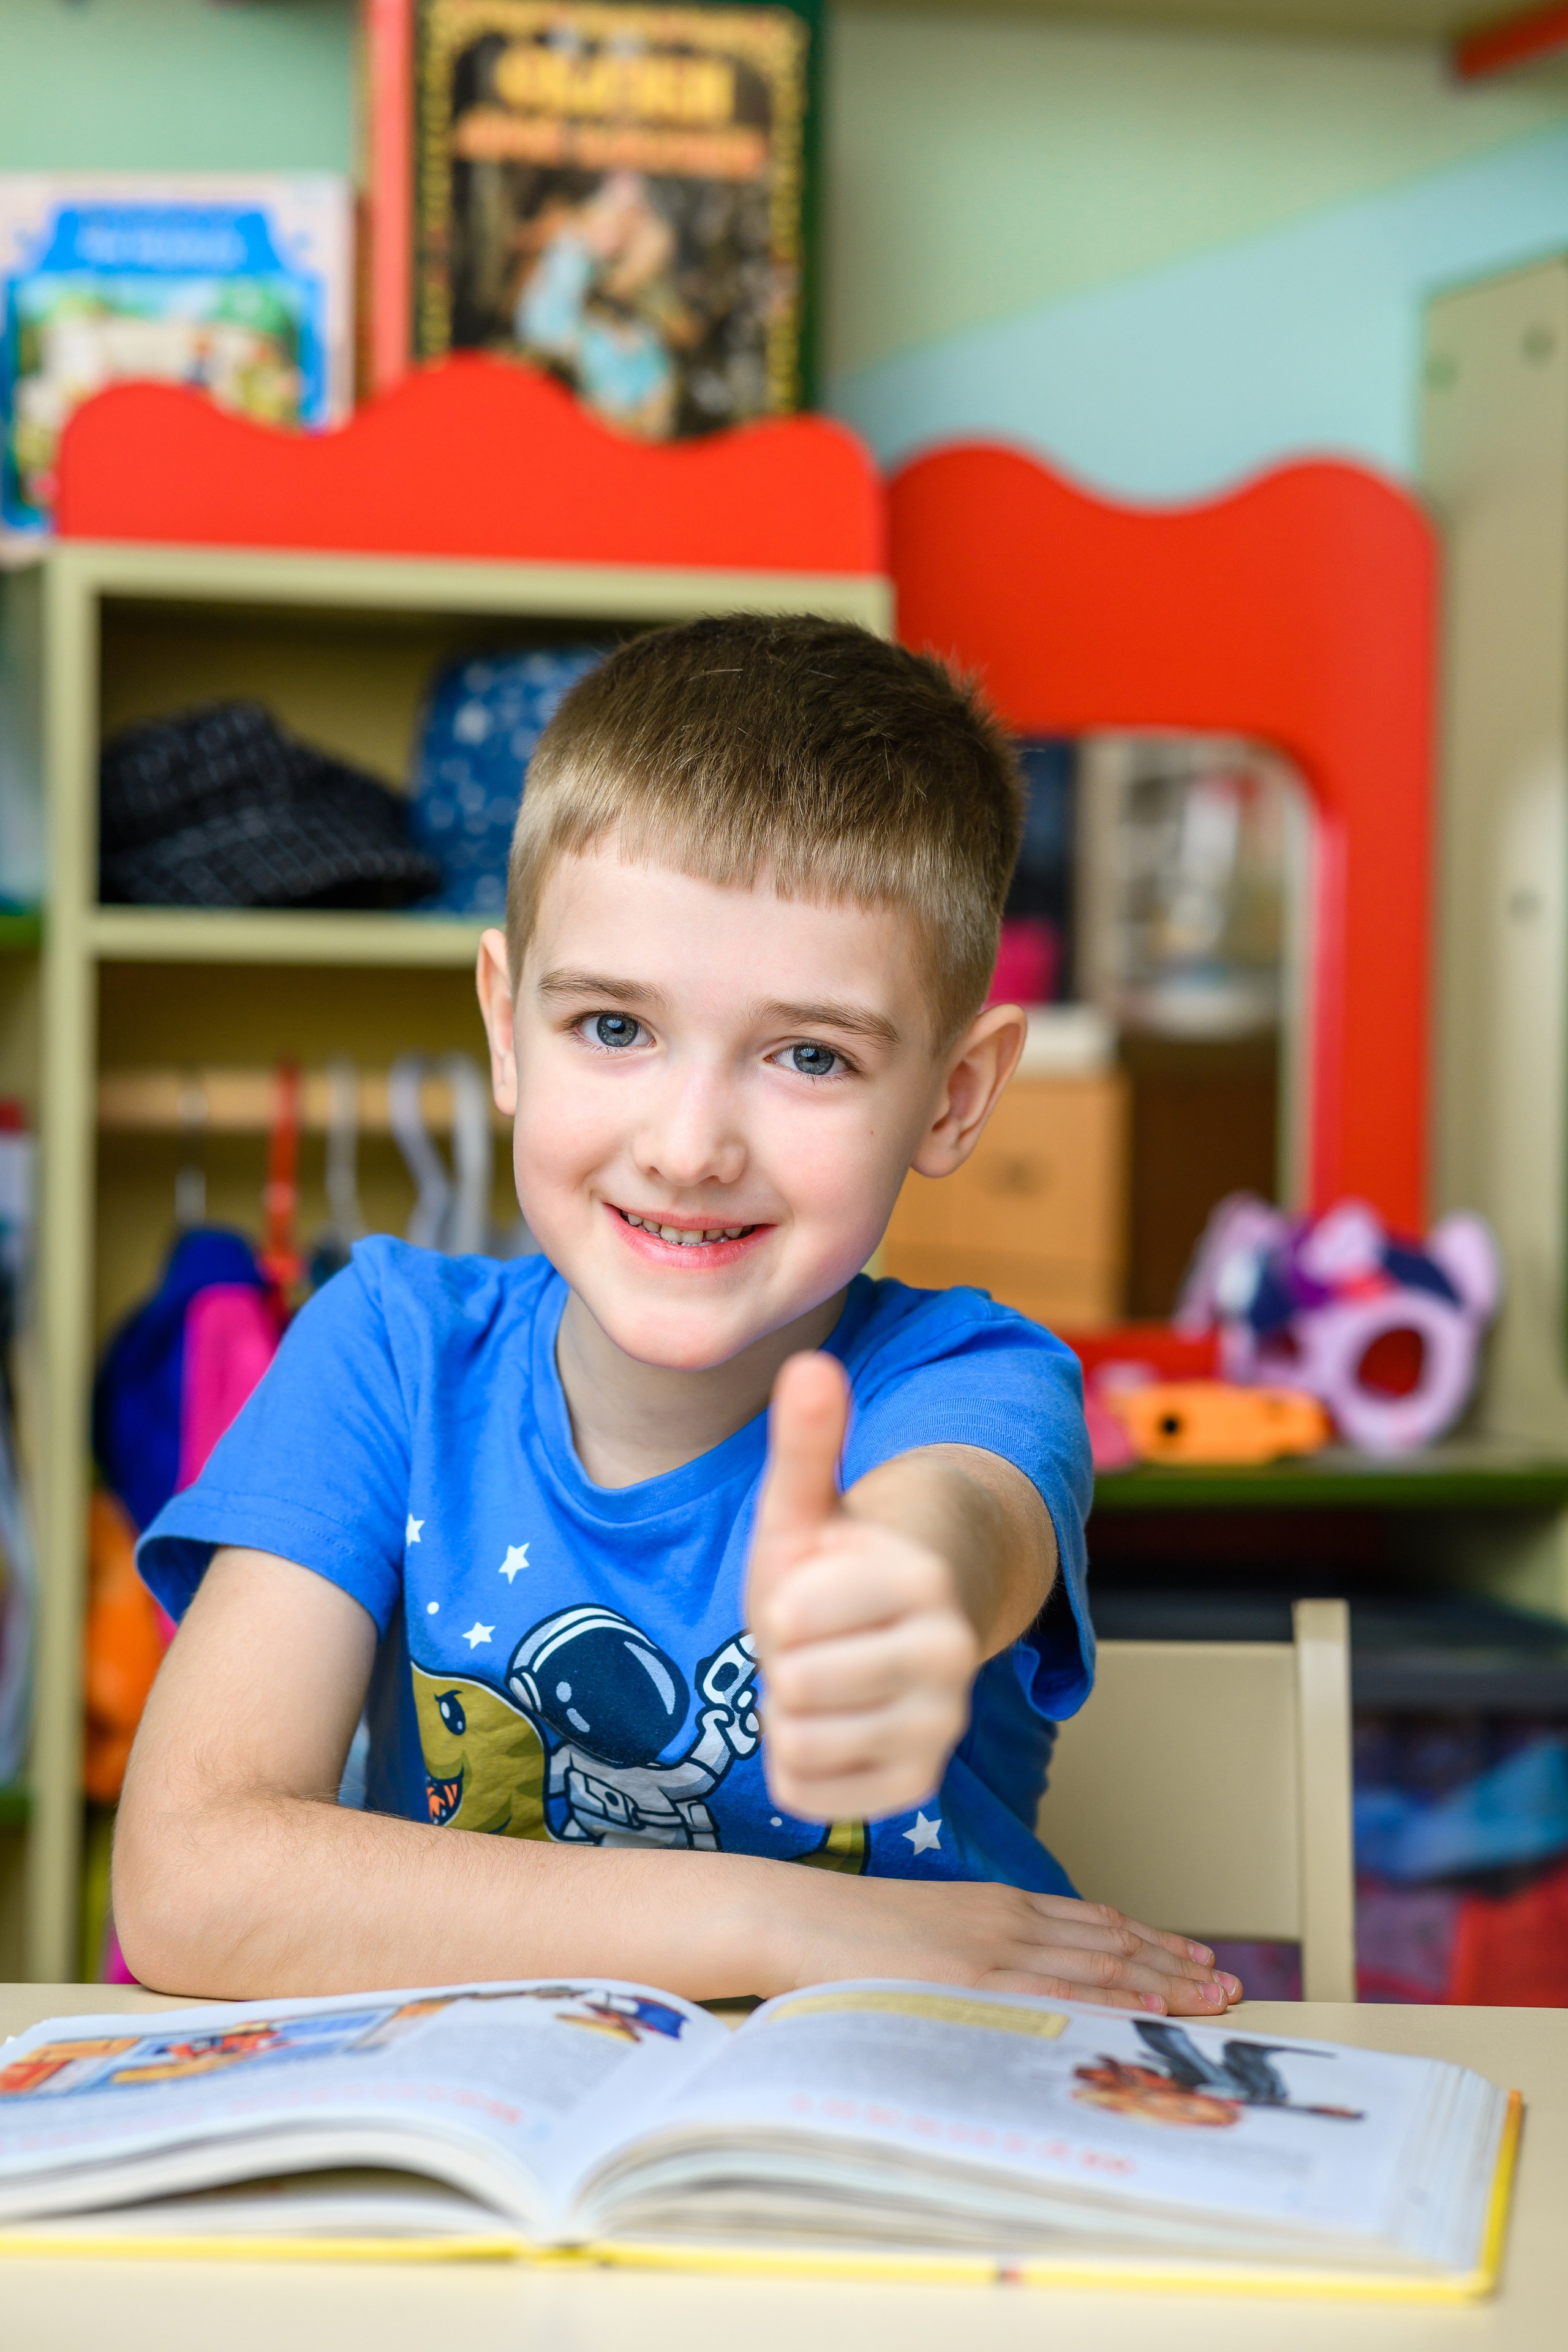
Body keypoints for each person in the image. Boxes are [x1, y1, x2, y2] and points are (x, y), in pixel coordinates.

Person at [113, 615, 1242, 2018]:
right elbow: (189, 1883)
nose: (689, 1144)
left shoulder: (969, 1378)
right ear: (504, 1023)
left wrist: (898, 1602)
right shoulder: (388, 1352)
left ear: (953, 1097)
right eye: (612, 1028)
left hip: (916, 2139)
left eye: (809, 1055)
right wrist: (777, 1923)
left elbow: (953, 1527)